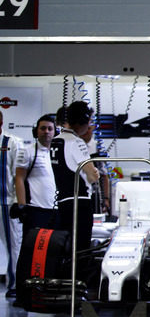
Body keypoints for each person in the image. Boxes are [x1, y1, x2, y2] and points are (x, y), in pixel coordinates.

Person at [50, 102, 99, 250]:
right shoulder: (76, 142)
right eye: (89, 121)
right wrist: (95, 173)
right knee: (81, 249)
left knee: (66, 247)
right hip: (80, 203)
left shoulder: (56, 140)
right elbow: (92, 175)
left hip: (63, 201)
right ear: (82, 121)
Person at [14, 114, 58, 232]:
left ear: (55, 132)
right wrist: (22, 206)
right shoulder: (27, 151)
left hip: (57, 211)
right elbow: (19, 179)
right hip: (36, 210)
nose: (46, 131)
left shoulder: (59, 153)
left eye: (50, 129)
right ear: (36, 132)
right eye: (43, 128)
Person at [0, 111, 23, 297]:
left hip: (5, 203)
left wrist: (17, 201)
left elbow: (19, 175)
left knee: (13, 244)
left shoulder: (12, 142)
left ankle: (14, 284)